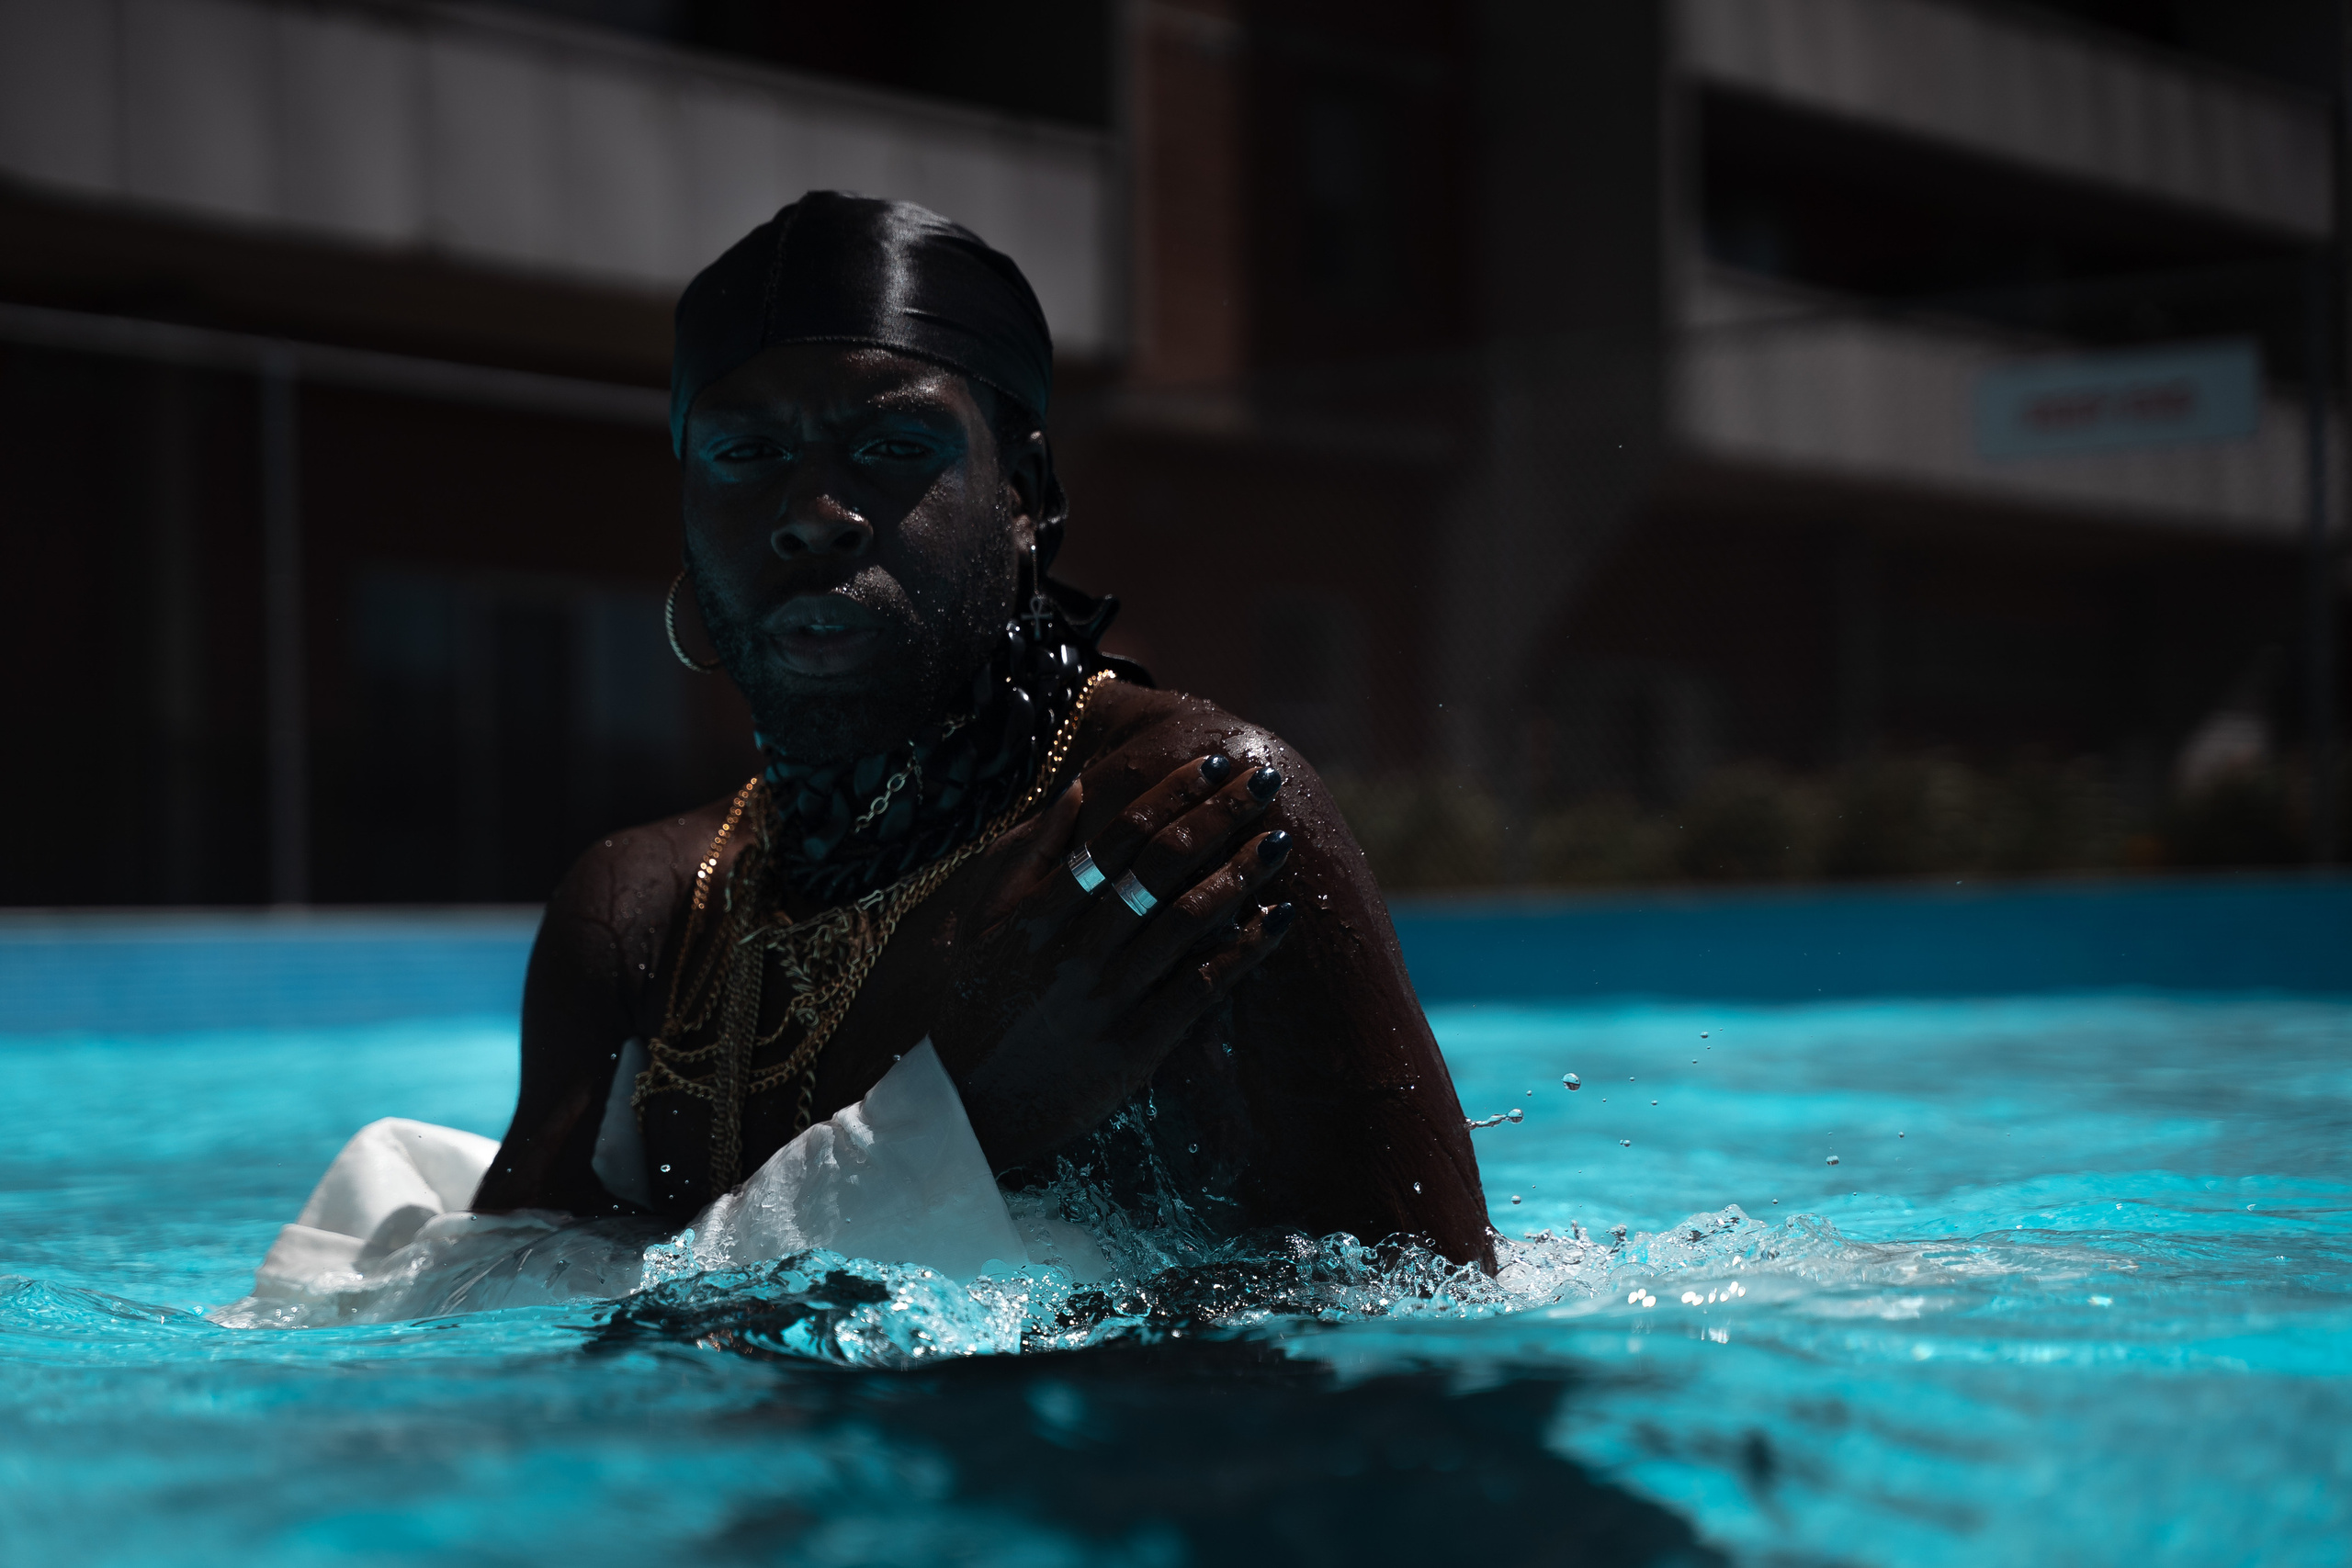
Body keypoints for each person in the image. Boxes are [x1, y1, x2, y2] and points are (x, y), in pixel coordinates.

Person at [242, 194, 1487, 1314]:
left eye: (893, 450)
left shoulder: (1191, 825)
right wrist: (971, 1118)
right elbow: (496, 1332)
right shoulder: (643, 911)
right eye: (745, 454)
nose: (810, 513)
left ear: (1028, 494)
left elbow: (1432, 1337)